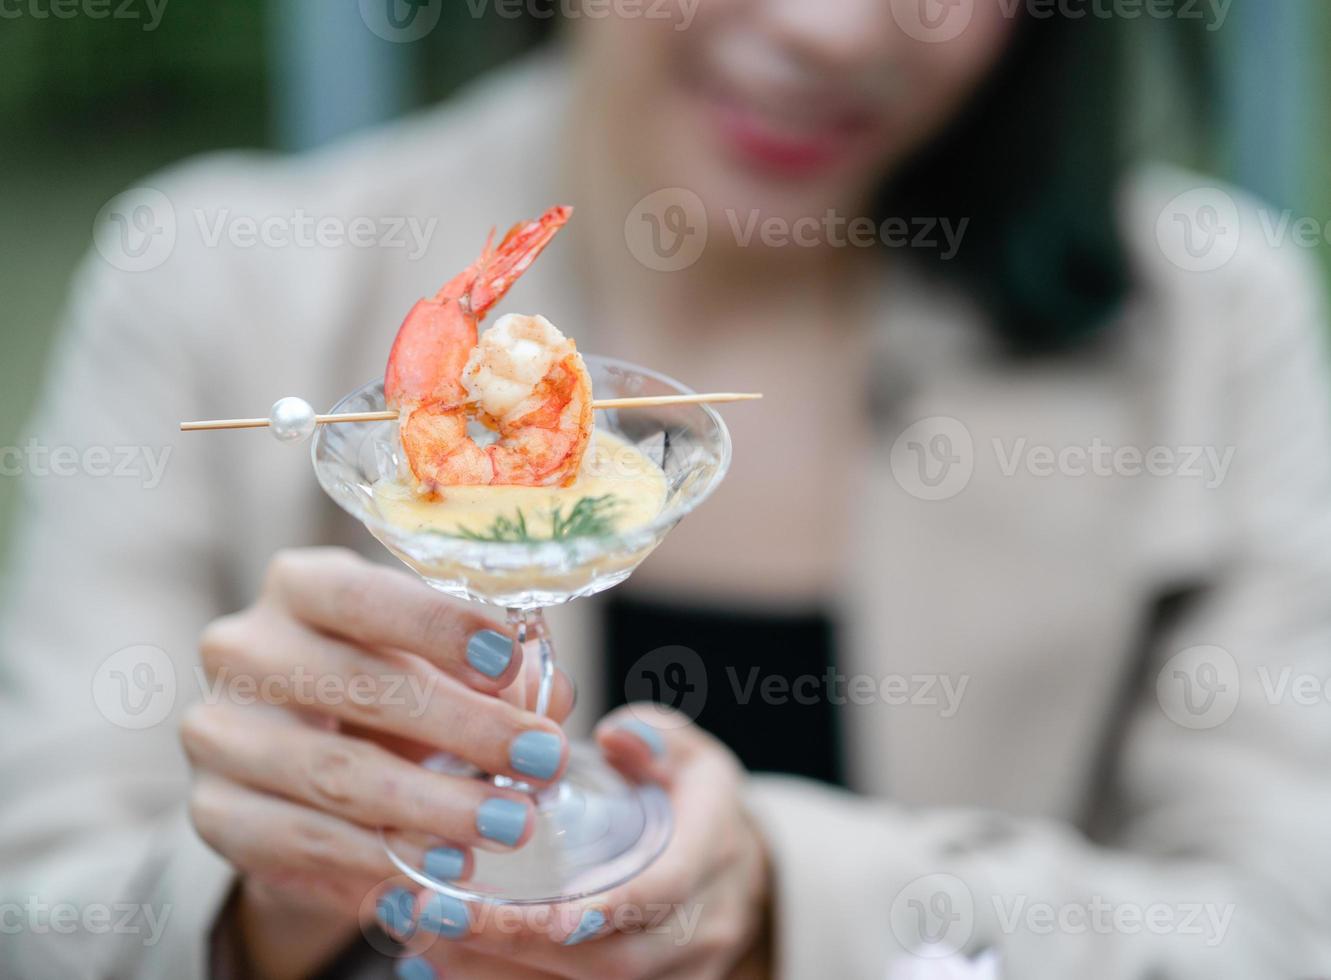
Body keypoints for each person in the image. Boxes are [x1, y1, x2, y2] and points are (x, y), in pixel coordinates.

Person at [3, 1, 1330, 977]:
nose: (829, 28)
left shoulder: (1215, 319)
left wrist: (791, 910)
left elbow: (1286, 929)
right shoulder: (206, 279)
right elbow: (36, 914)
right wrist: (262, 905)